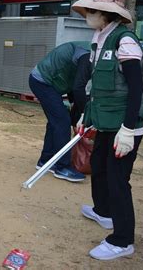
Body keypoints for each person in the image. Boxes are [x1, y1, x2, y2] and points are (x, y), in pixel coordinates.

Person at [72, 0, 143, 261]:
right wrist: (85, 115)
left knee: (118, 180)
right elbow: (98, 87)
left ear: (108, 13)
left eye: (93, 9)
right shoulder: (100, 37)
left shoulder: (124, 40)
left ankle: (122, 239)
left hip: (124, 126)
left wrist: (129, 130)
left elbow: (135, 87)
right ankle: (104, 211)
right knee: (100, 169)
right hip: (104, 122)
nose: (88, 14)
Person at [29, 42, 91, 182]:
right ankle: (62, 167)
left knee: (56, 121)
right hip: (42, 82)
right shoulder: (87, 55)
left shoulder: (89, 51)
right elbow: (78, 86)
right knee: (62, 121)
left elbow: (73, 81)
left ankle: (46, 161)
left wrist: (75, 105)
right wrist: (82, 114)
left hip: (52, 83)